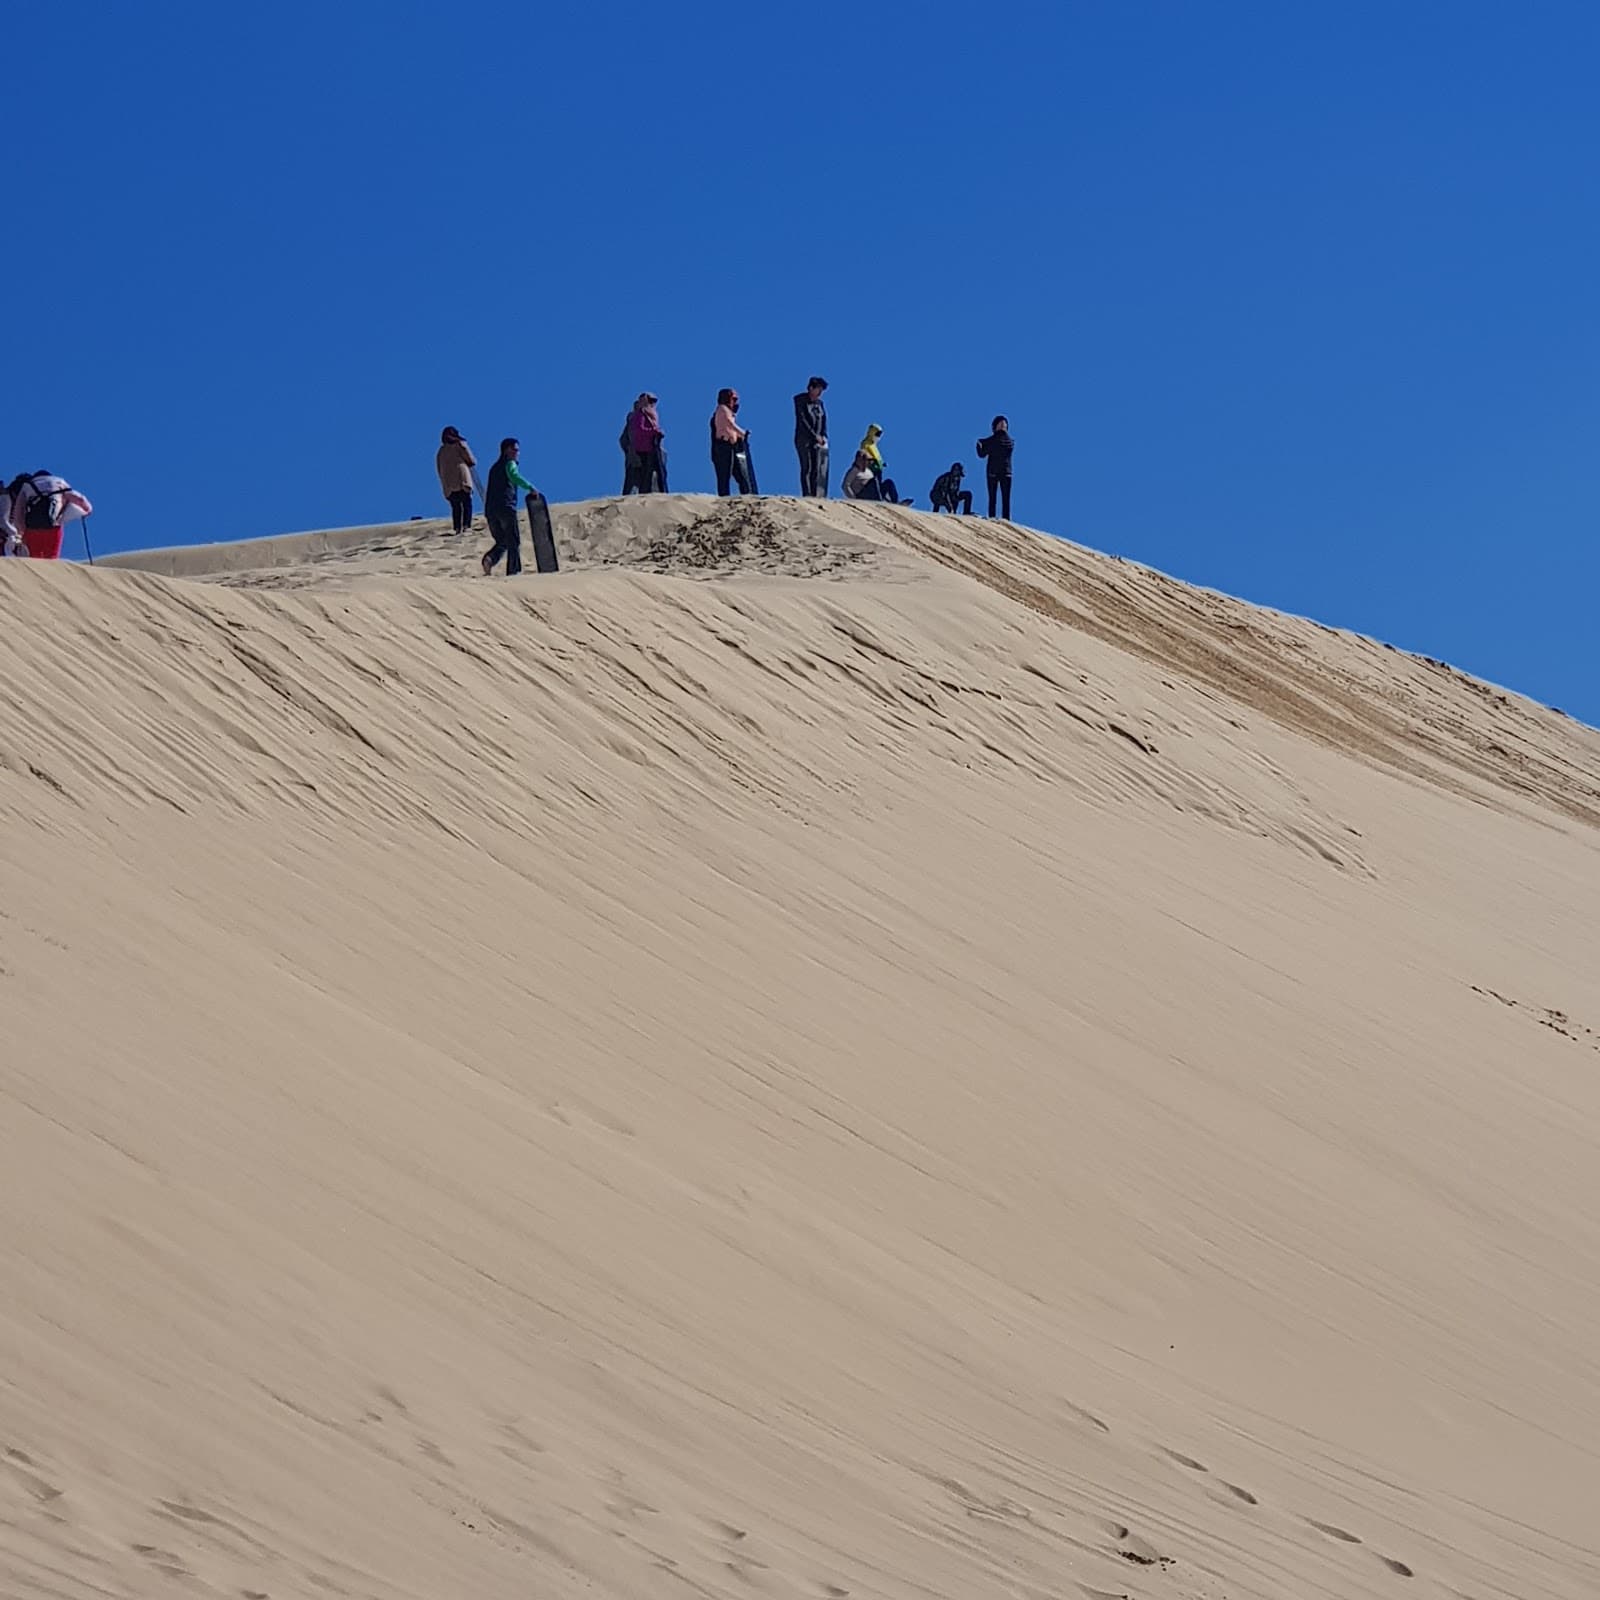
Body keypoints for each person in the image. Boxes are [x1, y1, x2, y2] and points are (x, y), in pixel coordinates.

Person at [481, 438, 538, 576]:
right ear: (507, 450)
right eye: (515, 449)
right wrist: (530, 487)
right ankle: (514, 571)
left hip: (490, 511)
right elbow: (514, 476)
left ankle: (490, 559)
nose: (517, 453)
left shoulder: (494, 468)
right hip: (505, 507)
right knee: (513, 540)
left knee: (503, 540)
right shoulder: (510, 464)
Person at [851, 424, 911, 504]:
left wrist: (881, 463)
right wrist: (872, 461)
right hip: (871, 471)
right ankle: (891, 501)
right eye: (877, 434)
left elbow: (876, 457)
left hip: (878, 470)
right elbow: (864, 454)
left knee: (886, 485)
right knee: (882, 485)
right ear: (872, 433)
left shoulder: (873, 445)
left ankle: (893, 501)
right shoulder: (865, 443)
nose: (878, 436)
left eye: (879, 434)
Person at [710, 388, 753, 496]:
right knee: (724, 474)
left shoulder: (730, 412)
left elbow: (731, 429)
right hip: (723, 446)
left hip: (732, 446)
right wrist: (743, 433)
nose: (735, 402)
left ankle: (747, 494)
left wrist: (741, 438)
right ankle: (724, 496)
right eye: (734, 399)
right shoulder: (722, 409)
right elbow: (730, 424)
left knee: (740, 473)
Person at [435, 427, 477, 535]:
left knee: (456, 506)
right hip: (461, 480)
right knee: (466, 503)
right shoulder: (460, 445)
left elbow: (439, 469)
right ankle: (466, 526)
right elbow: (471, 460)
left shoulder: (441, 451)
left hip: (449, 484)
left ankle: (457, 527)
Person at [623, 393, 667, 494]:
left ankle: (659, 493)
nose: (652, 404)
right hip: (642, 450)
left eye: (653, 402)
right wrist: (654, 431)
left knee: (656, 473)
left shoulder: (650, 415)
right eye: (650, 401)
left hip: (652, 448)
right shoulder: (639, 415)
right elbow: (640, 430)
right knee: (644, 475)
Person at [793, 376, 829, 497]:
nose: (819, 393)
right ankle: (806, 493)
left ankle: (815, 494)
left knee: (816, 468)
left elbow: (823, 420)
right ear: (810, 388)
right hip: (804, 439)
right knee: (806, 467)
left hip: (817, 441)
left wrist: (823, 435)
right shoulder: (800, 400)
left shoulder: (820, 404)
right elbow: (803, 421)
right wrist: (814, 436)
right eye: (818, 389)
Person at [976, 415, 1014, 519]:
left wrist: (981, 444)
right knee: (992, 497)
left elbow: (987, 448)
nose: (1003, 425)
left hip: (1005, 472)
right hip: (994, 471)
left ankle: (1005, 518)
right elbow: (982, 454)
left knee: (1005, 498)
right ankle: (992, 516)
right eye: (1000, 423)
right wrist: (980, 445)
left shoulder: (1007, 441)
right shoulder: (993, 440)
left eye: (1004, 423)